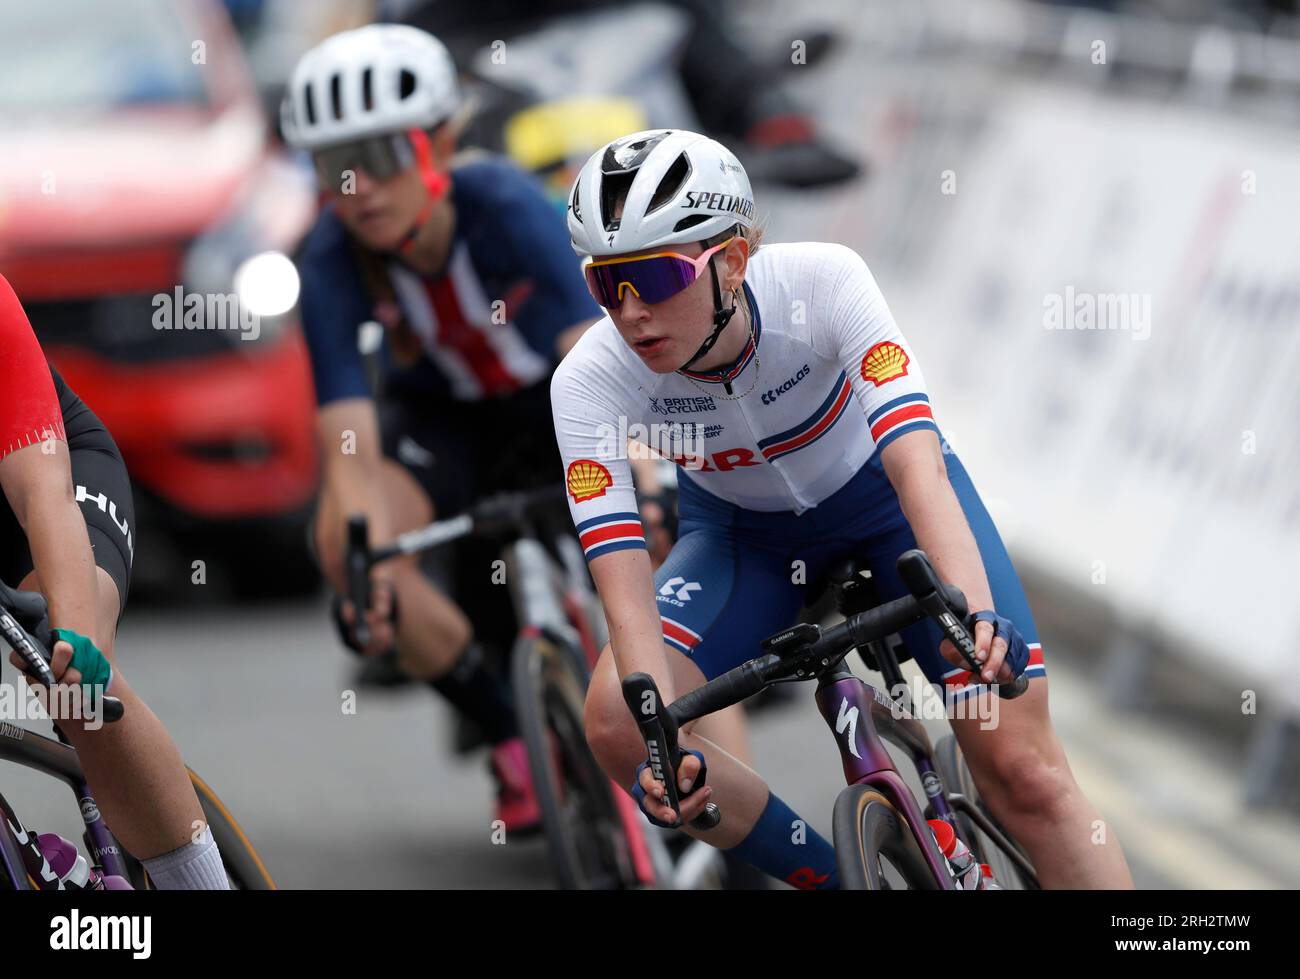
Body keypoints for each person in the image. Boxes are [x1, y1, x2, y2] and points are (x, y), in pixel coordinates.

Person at [550, 129, 1135, 889]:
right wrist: (654, 727)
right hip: (740, 540)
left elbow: (914, 462)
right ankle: (837, 878)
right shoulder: (589, 381)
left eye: (655, 276)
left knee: (1024, 770)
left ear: (731, 260)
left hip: (886, 506)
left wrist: (974, 612)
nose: (629, 313)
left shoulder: (823, 284)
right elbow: (618, 560)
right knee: (617, 722)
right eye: (607, 284)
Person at [281, 24, 605, 831]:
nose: (360, 188)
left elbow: (596, 363)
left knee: (660, 515)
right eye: (335, 166)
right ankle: (508, 732)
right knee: (347, 544)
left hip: (557, 400)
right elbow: (347, 437)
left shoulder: (501, 203)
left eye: (383, 155)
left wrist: (643, 477)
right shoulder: (325, 257)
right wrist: (362, 555)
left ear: (441, 144)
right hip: (444, 426)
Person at [0, 273, 229, 889]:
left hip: (48, 476)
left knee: (61, 665)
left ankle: (198, 880)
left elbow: (45, 495)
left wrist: (77, 630)